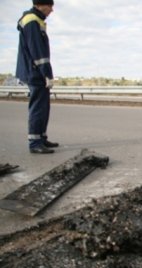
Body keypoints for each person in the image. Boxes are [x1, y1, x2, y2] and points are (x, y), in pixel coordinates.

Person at [16, 0, 58, 154]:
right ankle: (35, 143)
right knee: (38, 108)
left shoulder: (36, 19)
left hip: (35, 70)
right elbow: (38, 51)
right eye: (50, 6)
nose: (51, 10)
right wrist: (46, 73)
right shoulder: (32, 21)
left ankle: (41, 138)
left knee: (44, 106)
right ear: (40, 5)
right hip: (35, 71)